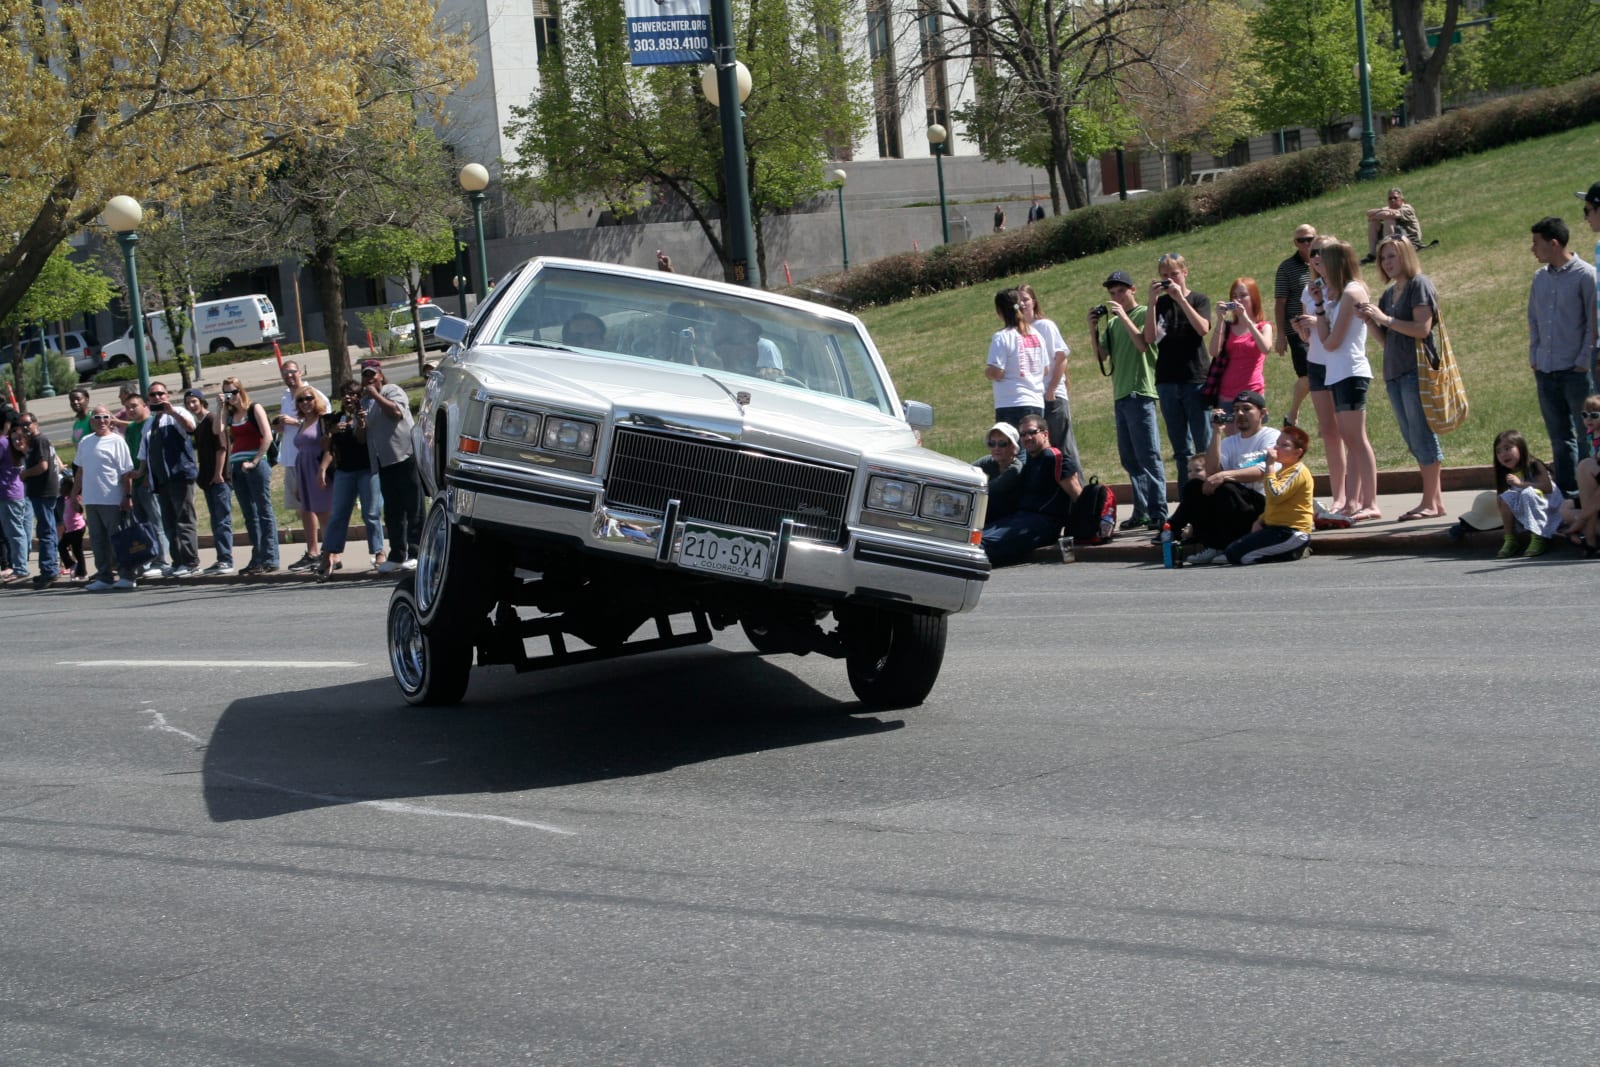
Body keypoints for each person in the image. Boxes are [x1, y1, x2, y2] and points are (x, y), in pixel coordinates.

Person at [1358, 237, 1446, 520]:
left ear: (1406, 256)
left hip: (1416, 372)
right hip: (1394, 372)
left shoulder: (1419, 285)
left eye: (1393, 256)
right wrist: (1371, 321)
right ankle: (1436, 501)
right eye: (1384, 258)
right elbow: (1387, 341)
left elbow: (1422, 329)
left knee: (1422, 436)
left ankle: (1430, 503)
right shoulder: (1389, 293)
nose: (1387, 262)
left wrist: (1384, 319)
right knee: (1412, 438)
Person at [1527, 215, 1599, 496]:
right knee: (1559, 439)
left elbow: (1592, 323)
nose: (1533, 249)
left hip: (1576, 372)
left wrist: (1583, 362)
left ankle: (1588, 495)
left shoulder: (1586, 275)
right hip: (1545, 370)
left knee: (1585, 436)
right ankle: (1567, 496)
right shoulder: (1540, 277)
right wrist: (1534, 356)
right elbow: (1533, 318)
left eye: (1536, 243)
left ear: (1553, 244)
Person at [1308, 239, 1379, 521]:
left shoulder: (1352, 291)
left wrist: (1323, 313)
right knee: (1350, 439)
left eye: (1323, 259)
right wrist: (1318, 304)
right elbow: (1325, 340)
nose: (1318, 264)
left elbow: (1333, 340)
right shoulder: (1334, 295)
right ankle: (1352, 502)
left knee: (1357, 439)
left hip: (1351, 370)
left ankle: (1370, 502)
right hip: (1337, 371)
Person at [1166, 391, 1280, 566]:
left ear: (1262, 413)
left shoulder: (1271, 436)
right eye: (1236, 410)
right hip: (1234, 501)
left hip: (1262, 504)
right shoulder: (1229, 442)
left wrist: (1224, 475)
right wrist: (1217, 432)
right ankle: (1212, 545)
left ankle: (1229, 546)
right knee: (1194, 486)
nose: (1240, 414)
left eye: (1246, 409)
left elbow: (1261, 472)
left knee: (1225, 487)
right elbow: (1211, 470)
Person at [1091, 270, 1164, 530]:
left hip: (1140, 391)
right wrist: (1093, 327)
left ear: (1132, 289)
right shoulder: (1111, 324)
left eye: (1121, 291)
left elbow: (1144, 344)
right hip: (1120, 395)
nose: (1116, 297)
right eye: (1112, 293)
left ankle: (1159, 511)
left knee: (1148, 456)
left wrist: (1122, 316)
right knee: (1129, 458)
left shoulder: (1144, 312)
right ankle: (1142, 510)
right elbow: (1102, 355)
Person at [1143, 252, 1212, 484]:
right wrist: (1152, 302)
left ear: (1185, 272)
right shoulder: (1160, 304)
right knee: (1181, 449)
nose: (1170, 279)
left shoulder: (1198, 300)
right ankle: (1187, 499)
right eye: (1164, 276)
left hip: (1195, 378)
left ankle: (1210, 498)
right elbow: (1149, 338)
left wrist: (1181, 298)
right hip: (1167, 381)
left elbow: (1203, 329)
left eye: (1174, 274)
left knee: (1204, 444)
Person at [978, 414, 1082, 565]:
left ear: (1045, 434)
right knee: (973, 539)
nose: (1027, 438)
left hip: (1042, 523)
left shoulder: (1053, 457)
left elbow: (1078, 495)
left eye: (1032, 432)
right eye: (1023, 434)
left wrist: (1080, 531)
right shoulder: (1031, 459)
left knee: (982, 545)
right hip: (1020, 518)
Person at [357, 359, 423, 573]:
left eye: (372, 374)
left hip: (405, 455)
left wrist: (375, 395)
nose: (369, 379)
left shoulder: (391, 390)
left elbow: (396, 413)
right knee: (393, 510)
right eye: (365, 375)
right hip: (383, 461)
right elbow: (361, 437)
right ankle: (396, 554)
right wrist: (360, 423)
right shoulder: (365, 402)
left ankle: (417, 551)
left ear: (380, 374)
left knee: (413, 506)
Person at [317, 380, 386, 578]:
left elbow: (363, 440)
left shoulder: (365, 415)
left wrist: (361, 423)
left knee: (371, 513)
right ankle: (328, 555)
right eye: (345, 394)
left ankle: (379, 551)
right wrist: (332, 432)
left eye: (353, 394)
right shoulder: (334, 419)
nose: (348, 398)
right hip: (344, 472)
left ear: (360, 397)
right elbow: (325, 447)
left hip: (367, 470)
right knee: (338, 514)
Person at [1222, 425, 1314, 565]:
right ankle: (1286, 551)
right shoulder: (1281, 472)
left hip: (1292, 532)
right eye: (1277, 443)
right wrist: (1260, 520)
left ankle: (1293, 551)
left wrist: (1269, 466)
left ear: (1297, 453)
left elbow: (1275, 495)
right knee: (1232, 551)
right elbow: (1273, 504)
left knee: (1239, 556)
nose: (1276, 448)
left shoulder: (1298, 471)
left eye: (1284, 445)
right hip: (1274, 528)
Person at [72, 404, 136, 591]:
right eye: (97, 417)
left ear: (111, 420)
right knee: (98, 540)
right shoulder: (85, 441)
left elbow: (126, 473)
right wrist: (75, 494)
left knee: (118, 539)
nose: (102, 421)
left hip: (112, 499)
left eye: (105, 417)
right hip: (91, 499)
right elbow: (80, 471)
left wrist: (127, 496)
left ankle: (126, 575)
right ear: (91, 421)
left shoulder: (117, 441)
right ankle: (105, 576)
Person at [140, 380, 200, 577]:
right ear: (148, 400)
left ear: (167, 395)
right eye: (153, 395)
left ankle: (190, 561)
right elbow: (145, 453)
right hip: (161, 479)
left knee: (184, 519)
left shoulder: (178, 413)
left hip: (180, 474)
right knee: (169, 521)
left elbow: (191, 428)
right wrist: (144, 474)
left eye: (161, 394)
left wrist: (171, 411)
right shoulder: (149, 423)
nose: (158, 398)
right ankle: (177, 561)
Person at [1018, 284, 1080, 471]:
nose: (1021, 304)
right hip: (1034, 399)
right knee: (1042, 453)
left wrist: (1051, 390)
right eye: (1017, 301)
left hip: (1053, 397)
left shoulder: (1044, 325)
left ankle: (1080, 496)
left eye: (1025, 299)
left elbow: (1061, 358)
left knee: (1063, 450)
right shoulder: (1018, 332)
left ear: (1034, 302)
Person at [222, 377, 280, 574]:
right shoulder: (230, 414)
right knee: (250, 515)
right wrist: (221, 407)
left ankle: (270, 557)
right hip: (237, 466)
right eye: (227, 393)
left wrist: (255, 461)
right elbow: (218, 430)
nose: (231, 397)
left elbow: (268, 436)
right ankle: (257, 557)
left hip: (255, 465)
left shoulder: (254, 408)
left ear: (241, 391)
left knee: (264, 510)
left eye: (234, 392)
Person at [274, 359, 328, 565]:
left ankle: (327, 552)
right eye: (285, 374)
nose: (289, 377)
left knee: (319, 508)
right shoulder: (286, 397)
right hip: (291, 459)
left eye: (292, 372)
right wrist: (281, 426)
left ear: (300, 372)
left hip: (311, 461)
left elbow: (324, 421)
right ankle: (312, 552)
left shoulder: (312, 393)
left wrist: (294, 421)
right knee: (303, 508)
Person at [1201, 277, 1273, 411]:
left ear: (1254, 298)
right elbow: (1214, 352)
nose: (1238, 300)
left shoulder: (1263, 327)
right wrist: (1220, 320)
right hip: (1227, 394)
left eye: (1243, 295)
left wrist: (1246, 320)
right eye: (1234, 296)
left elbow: (1266, 348)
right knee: (1230, 432)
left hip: (1253, 391)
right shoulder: (1228, 327)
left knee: (1252, 431)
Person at [184, 387, 234, 574]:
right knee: (216, 521)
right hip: (207, 480)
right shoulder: (199, 424)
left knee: (222, 520)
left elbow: (222, 448)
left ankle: (226, 559)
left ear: (202, 401)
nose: (191, 405)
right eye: (188, 403)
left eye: (194, 401)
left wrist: (218, 473)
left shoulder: (213, 419)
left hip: (219, 479)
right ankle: (221, 558)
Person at [1491, 429, 1562, 558]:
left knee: (1528, 493)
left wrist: (1520, 484)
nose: (1503, 454)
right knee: (1504, 497)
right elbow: (1502, 497)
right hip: (1527, 508)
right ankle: (1510, 539)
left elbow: (1547, 488)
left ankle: (1539, 537)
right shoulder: (1504, 471)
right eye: (1498, 451)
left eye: (1507, 448)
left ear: (1520, 448)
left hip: (1549, 507)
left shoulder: (1534, 464)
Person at [120, 392, 169, 574]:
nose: (130, 410)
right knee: (141, 524)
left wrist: (149, 476)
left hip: (149, 480)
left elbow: (151, 453)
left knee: (156, 522)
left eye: (134, 406)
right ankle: (147, 559)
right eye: (127, 407)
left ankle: (161, 561)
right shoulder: (131, 428)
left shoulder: (149, 424)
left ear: (144, 406)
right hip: (136, 481)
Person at [1275, 224, 1317, 429]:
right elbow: (1280, 303)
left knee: (1325, 374)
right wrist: (1281, 335)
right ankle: (1292, 414)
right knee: (1308, 376)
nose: (1307, 243)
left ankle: (1327, 421)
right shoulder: (1286, 268)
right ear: (1295, 243)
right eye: (1302, 240)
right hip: (1298, 331)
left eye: (1310, 239)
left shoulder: (1325, 262)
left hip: (1323, 327)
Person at [986, 289, 1046, 429]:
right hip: (1036, 402)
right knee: (1033, 449)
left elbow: (997, 372)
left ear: (999, 312)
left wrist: (987, 372)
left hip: (1011, 403)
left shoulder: (1002, 336)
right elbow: (1046, 369)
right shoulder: (1037, 335)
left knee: (1014, 450)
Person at [289, 386, 334, 570]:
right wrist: (299, 485)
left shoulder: (322, 420)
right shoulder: (303, 422)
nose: (305, 403)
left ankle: (332, 555)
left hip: (317, 470)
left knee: (324, 514)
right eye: (300, 400)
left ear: (316, 399)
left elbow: (330, 448)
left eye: (308, 398)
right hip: (303, 471)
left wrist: (322, 470)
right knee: (311, 512)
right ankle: (323, 554)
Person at [15, 411, 61, 588]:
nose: (25, 427)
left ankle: (49, 571)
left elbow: (43, 466)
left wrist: (25, 473)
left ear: (35, 423)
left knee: (46, 530)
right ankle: (47, 569)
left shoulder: (40, 440)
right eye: (22, 425)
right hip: (38, 491)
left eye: (28, 423)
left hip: (44, 491)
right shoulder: (32, 442)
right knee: (45, 529)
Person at [1557, 394, 1600, 554]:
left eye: (1594, 415)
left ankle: (1589, 537)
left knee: (1585, 466)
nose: (1588, 419)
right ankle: (1589, 535)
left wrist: (1581, 520)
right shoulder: (1590, 434)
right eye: (1584, 415)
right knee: (1566, 508)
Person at [973, 422, 1024, 527]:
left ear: (1012, 447)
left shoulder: (1015, 469)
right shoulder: (990, 461)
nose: (996, 448)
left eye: (1002, 444)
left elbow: (991, 488)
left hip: (1007, 521)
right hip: (990, 517)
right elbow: (967, 470)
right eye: (992, 443)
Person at [0, 425, 32, 583]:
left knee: (14, 532)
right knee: (21, 530)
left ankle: (20, 568)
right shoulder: (14, 443)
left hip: (8, 494)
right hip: (20, 492)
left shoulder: (3, 443)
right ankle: (21, 564)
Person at [711, 315, 784, 379]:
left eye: (754, 341)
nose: (750, 348)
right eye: (742, 342)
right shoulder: (707, 373)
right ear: (722, 349)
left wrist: (772, 376)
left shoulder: (762, 375)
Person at [1363, 187, 1424, 262]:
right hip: (1397, 237)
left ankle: (1389, 252)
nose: (1392, 200)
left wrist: (1377, 215)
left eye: (1395, 198)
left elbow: (1387, 215)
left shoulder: (1407, 208)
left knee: (1389, 220)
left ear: (1402, 200)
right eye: (1390, 198)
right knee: (1373, 223)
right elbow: (1369, 213)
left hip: (1411, 241)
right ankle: (1372, 255)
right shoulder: (1388, 208)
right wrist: (1377, 215)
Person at [58, 473, 87, 580]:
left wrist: (77, 505)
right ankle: (72, 565)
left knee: (77, 551)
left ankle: (82, 573)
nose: (60, 488)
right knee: (61, 546)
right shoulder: (67, 498)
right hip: (70, 529)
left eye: (62, 486)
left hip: (77, 529)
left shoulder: (75, 498)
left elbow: (80, 509)